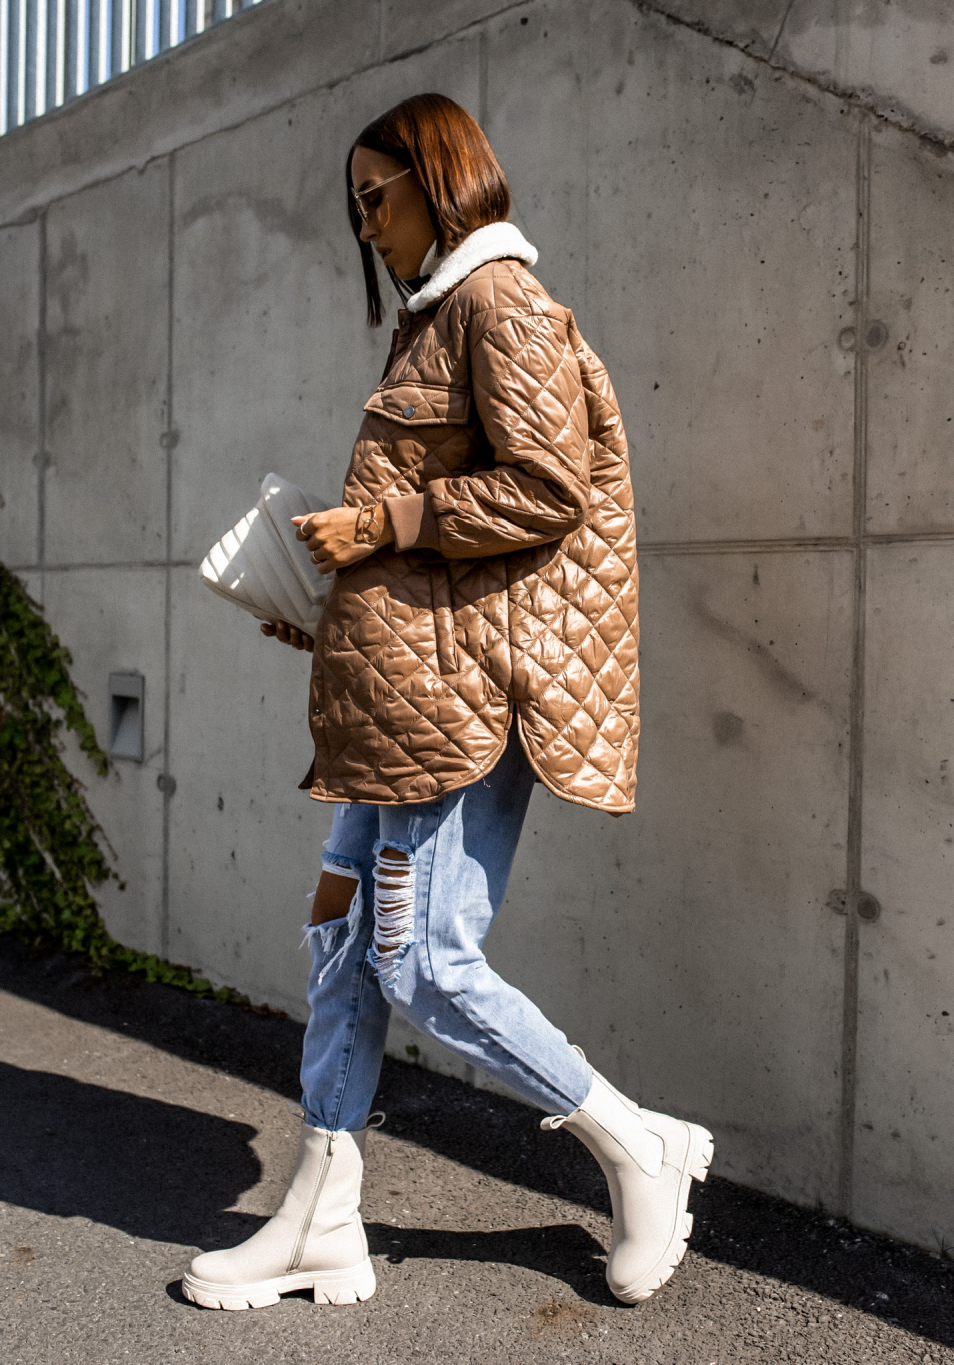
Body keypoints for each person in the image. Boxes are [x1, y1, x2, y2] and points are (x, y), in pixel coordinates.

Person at [182, 93, 712, 1313]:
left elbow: (546, 486)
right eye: (356, 205)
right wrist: (324, 602)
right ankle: (320, 1220)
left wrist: (378, 523)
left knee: (422, 959)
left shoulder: (499, 303)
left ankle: (640, 1147)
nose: (366, 224)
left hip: (464, 710)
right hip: (401, 702)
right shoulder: (429, 320)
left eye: (376, 197)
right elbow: (439, 553)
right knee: (339, 940)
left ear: (438, 179)